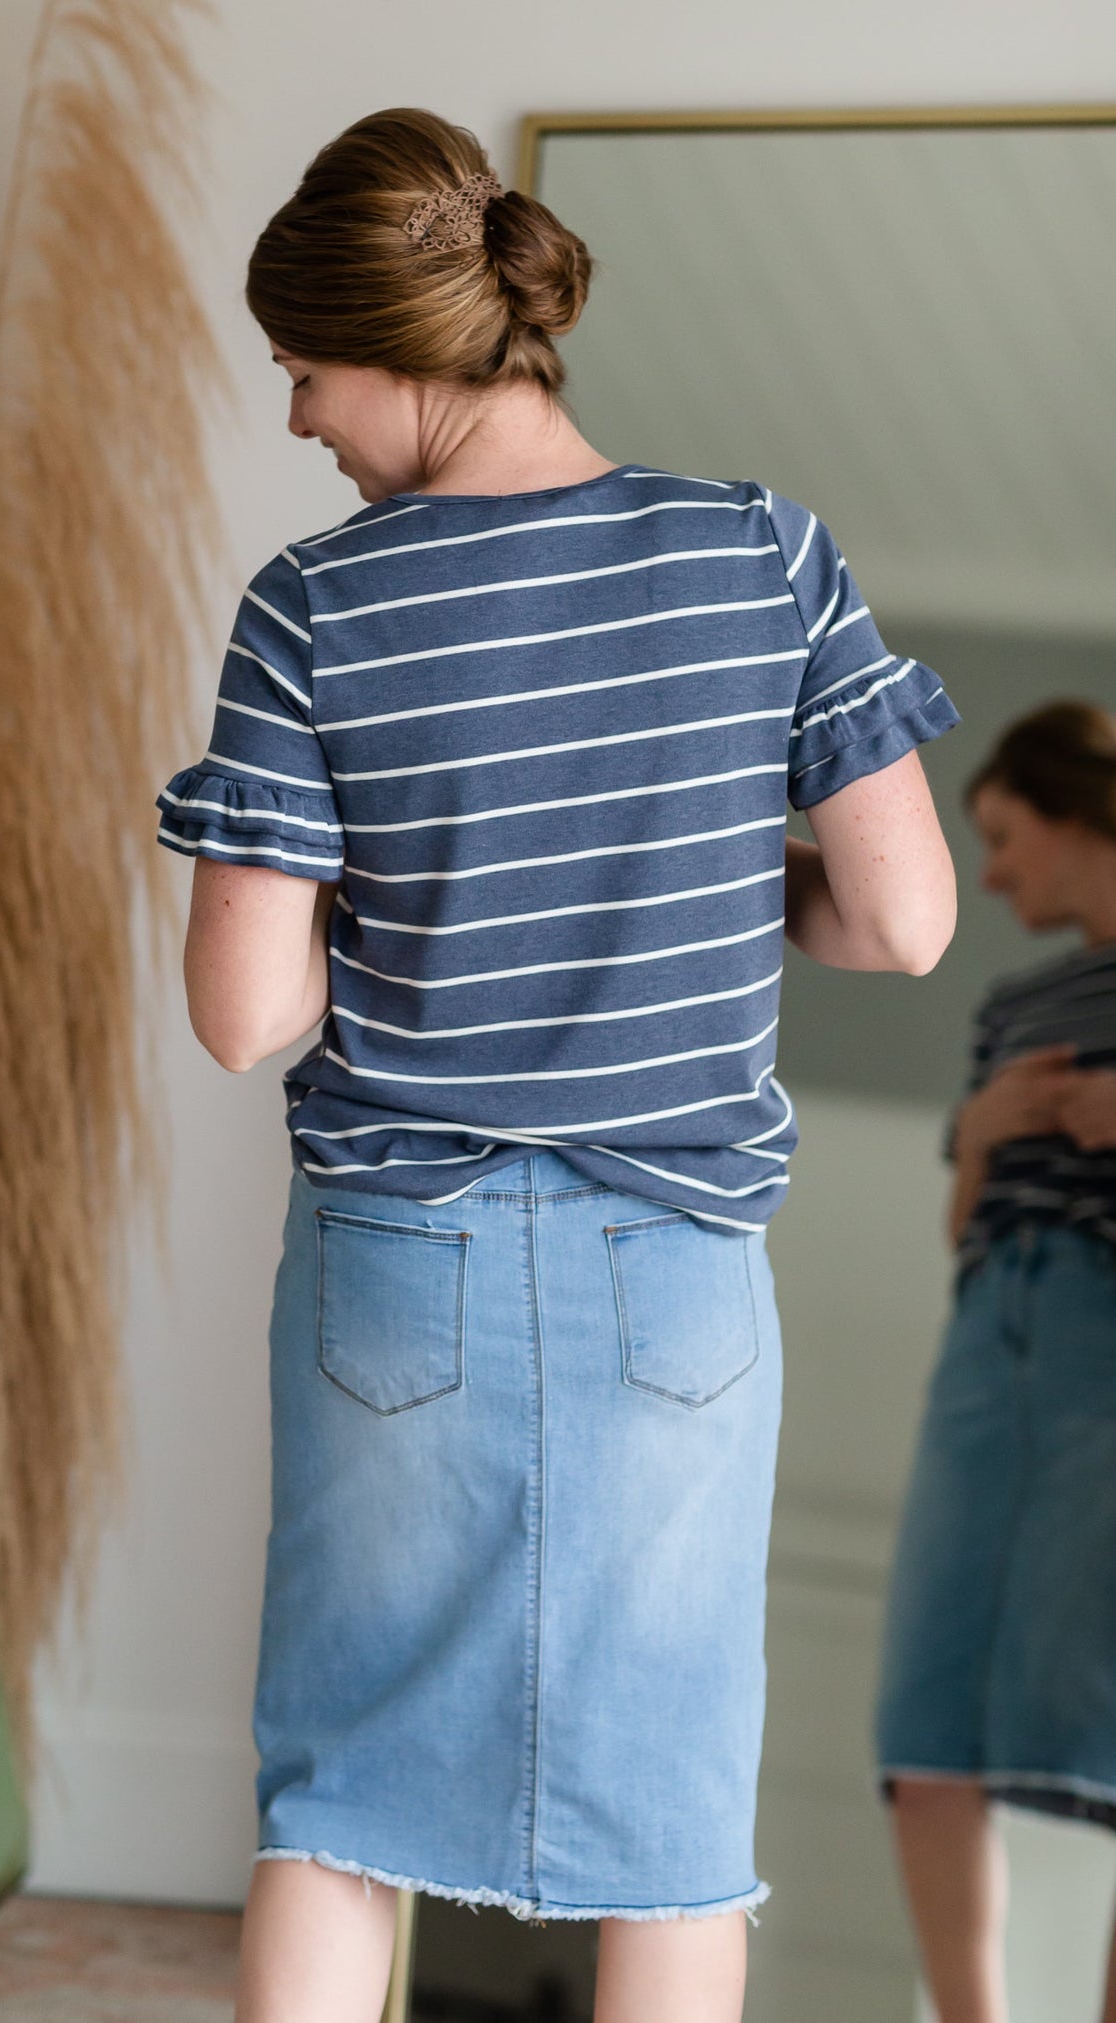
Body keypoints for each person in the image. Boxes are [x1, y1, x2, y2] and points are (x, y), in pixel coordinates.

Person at [158, 107, 959, 2023]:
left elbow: (244, 1014)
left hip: (394, 1274)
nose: (295, 424)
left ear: (390, 343)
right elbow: (904, 922)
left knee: (337, 1809)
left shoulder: (315, 607)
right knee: (672, 1830)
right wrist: (697, 902)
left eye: (299, 372)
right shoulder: (760, 550)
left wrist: (413, 920)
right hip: (671, 1282)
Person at [878, 699, 1116, 2023]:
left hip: (1102, 1338)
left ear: (1077, 814)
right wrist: (977, 1130)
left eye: (1005, 836)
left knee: (1100, 1709)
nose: (992, 872)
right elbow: (961, 1227)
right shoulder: (1009, 1005)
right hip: (985, 1341)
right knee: (923, 1720)